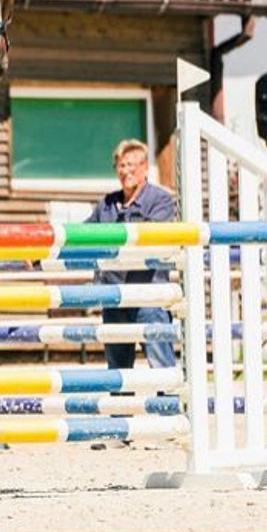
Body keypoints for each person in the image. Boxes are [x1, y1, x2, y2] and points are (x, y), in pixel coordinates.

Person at [87, 139, 178, 370]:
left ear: (145, 167)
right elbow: (83, 233)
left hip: (148, 296)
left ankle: (167, 406)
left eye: (131, 165)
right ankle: (119, 408)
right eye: (120, 165)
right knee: (117, 372)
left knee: (162, 368)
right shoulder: (107, 204)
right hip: (114, 297)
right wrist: (41, 254)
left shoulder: (161, 200)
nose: (125, 170)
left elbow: (149, 236)